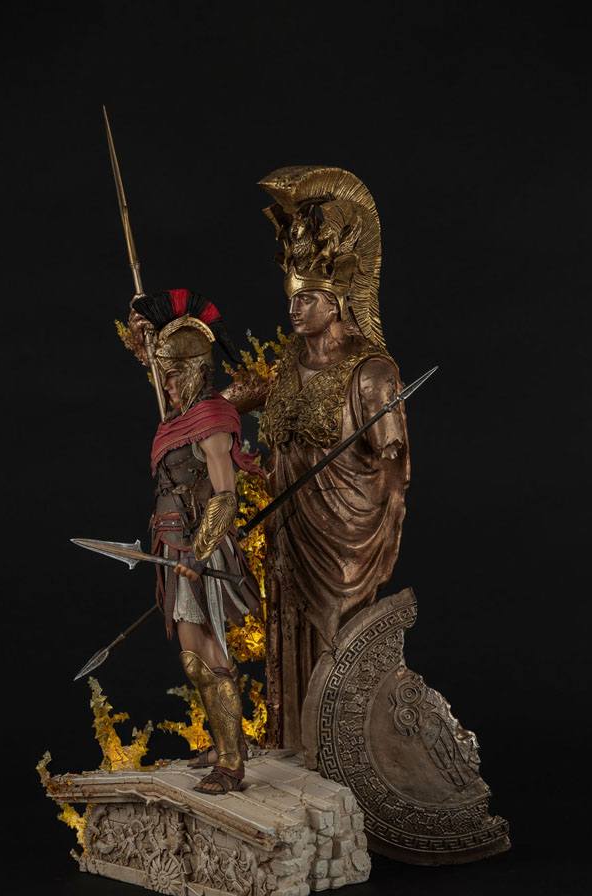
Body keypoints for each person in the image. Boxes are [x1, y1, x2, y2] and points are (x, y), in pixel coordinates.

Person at [223, 166, 410, 750]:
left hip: (343, 535)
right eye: (293, 299)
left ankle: (339, 752)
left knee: (333, 635)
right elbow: (244, 396)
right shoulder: (288, 366)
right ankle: (292, 746)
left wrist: (388, 452)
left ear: (337, 303)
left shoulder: (371, 373)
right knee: (286, 630)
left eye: (307, 299)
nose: (295, 310)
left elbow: (391, 456)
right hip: (288, 526)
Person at [126, 288, 262, 793]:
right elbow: (151, 361)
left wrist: (201, 556)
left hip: (200, 549)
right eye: (162, 374)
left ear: (195, 370)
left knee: (205, 654)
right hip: (173, 546)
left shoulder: (211, 421)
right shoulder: (178, 418)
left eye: (172, 374)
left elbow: (225, 497)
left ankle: (230, 762)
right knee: (193, 656)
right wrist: (142, 328)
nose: (165, 383)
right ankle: (230, 741)